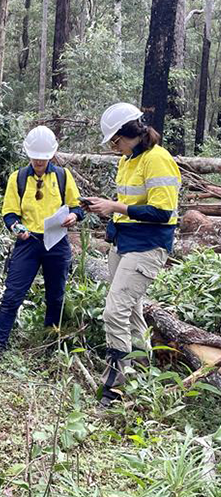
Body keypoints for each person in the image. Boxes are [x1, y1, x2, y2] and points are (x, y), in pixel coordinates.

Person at [83, 103, 181, 408]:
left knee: (114, 311)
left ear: (130, 133)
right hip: (124, 243)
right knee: (132, 311)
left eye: (115, 141)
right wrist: (107, 207)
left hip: (148, 245)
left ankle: (115, 388)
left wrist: (115, 208)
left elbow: (162, 212)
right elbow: (129, 202)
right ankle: (142, 375)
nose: (114, 148)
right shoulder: (128, 160)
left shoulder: (158, 160)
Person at [0, 126, 84, 365]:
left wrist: (74, 217)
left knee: (56, 296)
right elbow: (9, 213)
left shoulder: (62, 176)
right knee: (13, 294)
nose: (39, 161)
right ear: (28, 154)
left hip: (56, 242)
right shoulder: (18, 178)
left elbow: (77, 207)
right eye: (35, 157)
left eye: (43, 157)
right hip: (28, 243)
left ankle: (50, 344)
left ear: (51, 156)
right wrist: (17, 228)